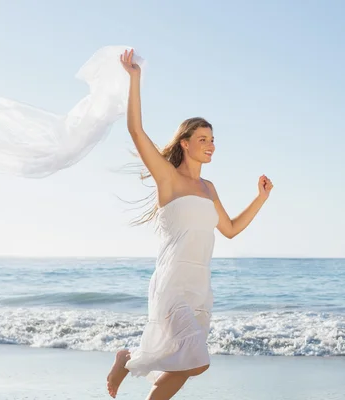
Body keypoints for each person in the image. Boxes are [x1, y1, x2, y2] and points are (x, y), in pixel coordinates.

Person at [106, 49, 273, 400]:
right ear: (184, 143)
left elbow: (229, 229)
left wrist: (260, 199)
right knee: (196, 362)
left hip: (200, 286)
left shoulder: (208, 188)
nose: (211, 145)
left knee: (184, 366)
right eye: (203, 139)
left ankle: (130, 363)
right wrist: (134, 79)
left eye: (213, 139)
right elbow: (136, 130)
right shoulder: (168, 179)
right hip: (172, 285)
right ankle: (128, 359)